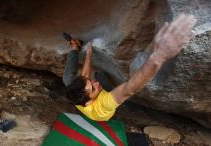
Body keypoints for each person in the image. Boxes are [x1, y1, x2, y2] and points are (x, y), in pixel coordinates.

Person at [63, 14, 196, 121]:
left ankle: (74, 47)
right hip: (103, 114)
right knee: (107, 82)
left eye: (91, 82)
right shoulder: (103, 105)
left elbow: (85, 76)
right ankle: (105, 80)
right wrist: (159, 56)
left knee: (67, 78)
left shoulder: (79, 90)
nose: (95, 83)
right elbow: (129, 88)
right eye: (93, 88)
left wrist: (89, 53)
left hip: (81, 91)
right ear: (89, 102)